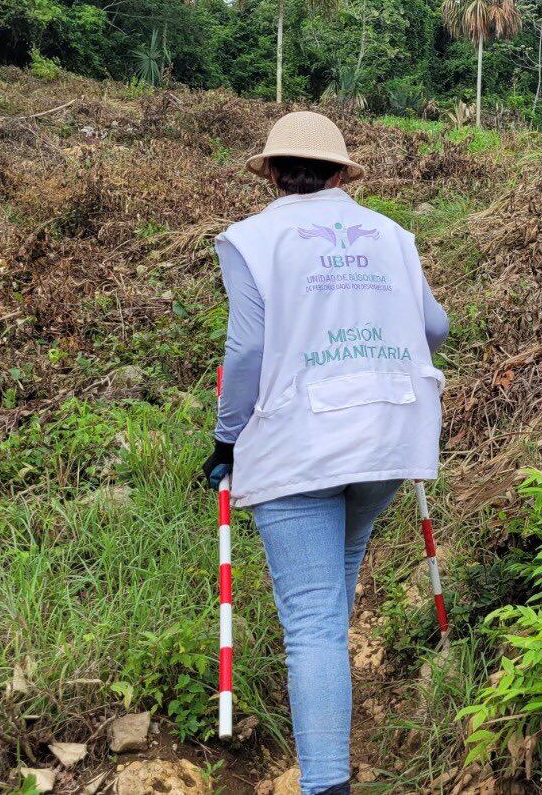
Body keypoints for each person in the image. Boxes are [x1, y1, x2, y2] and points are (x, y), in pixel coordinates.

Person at [201, 111, 448, 795]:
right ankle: (330, 714)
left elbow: (246, 351)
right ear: (342, 174)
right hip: (389, 436)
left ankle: (325, 782)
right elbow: (435, 326)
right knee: (331, 596)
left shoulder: (251, 240)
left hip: (296, 442)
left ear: (274, 173)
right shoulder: (393, 235)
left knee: (309, 621)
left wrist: (227, 436)